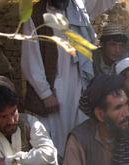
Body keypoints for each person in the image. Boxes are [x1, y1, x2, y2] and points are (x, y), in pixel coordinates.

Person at [21, 0, 96, 156]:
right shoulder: (35, 15)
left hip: (80, 83)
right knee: (56, 142)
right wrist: (45, 93)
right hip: (54, 88)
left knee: (81, 134)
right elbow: (30, 60)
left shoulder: (78, 11)